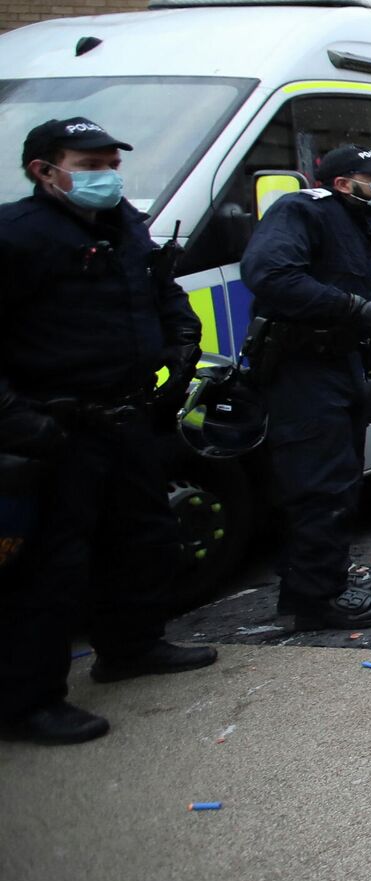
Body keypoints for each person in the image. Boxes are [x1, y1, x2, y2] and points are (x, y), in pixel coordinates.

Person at [0, 116, 216, 743]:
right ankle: (29, 702)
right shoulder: (19, 236)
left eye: (111, 163)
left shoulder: (124, 225)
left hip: (127, 414)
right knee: (52, 565)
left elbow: (161, 293)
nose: (107, 176)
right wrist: (20, 421)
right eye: (90, 165)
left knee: (142, 536)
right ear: (46, 170)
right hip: (55, 425)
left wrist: (181, 344)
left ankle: (131, 647)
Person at [242, 143, 371, 629]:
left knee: (340, 483)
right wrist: (360, 312)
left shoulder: (363, 231)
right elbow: (270, 274)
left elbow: (367, 305)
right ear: (343, 183)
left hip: (341, 366)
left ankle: (326, 579)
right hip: (302, 369)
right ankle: (312, 600)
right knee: (317, 486)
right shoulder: (302, 211)